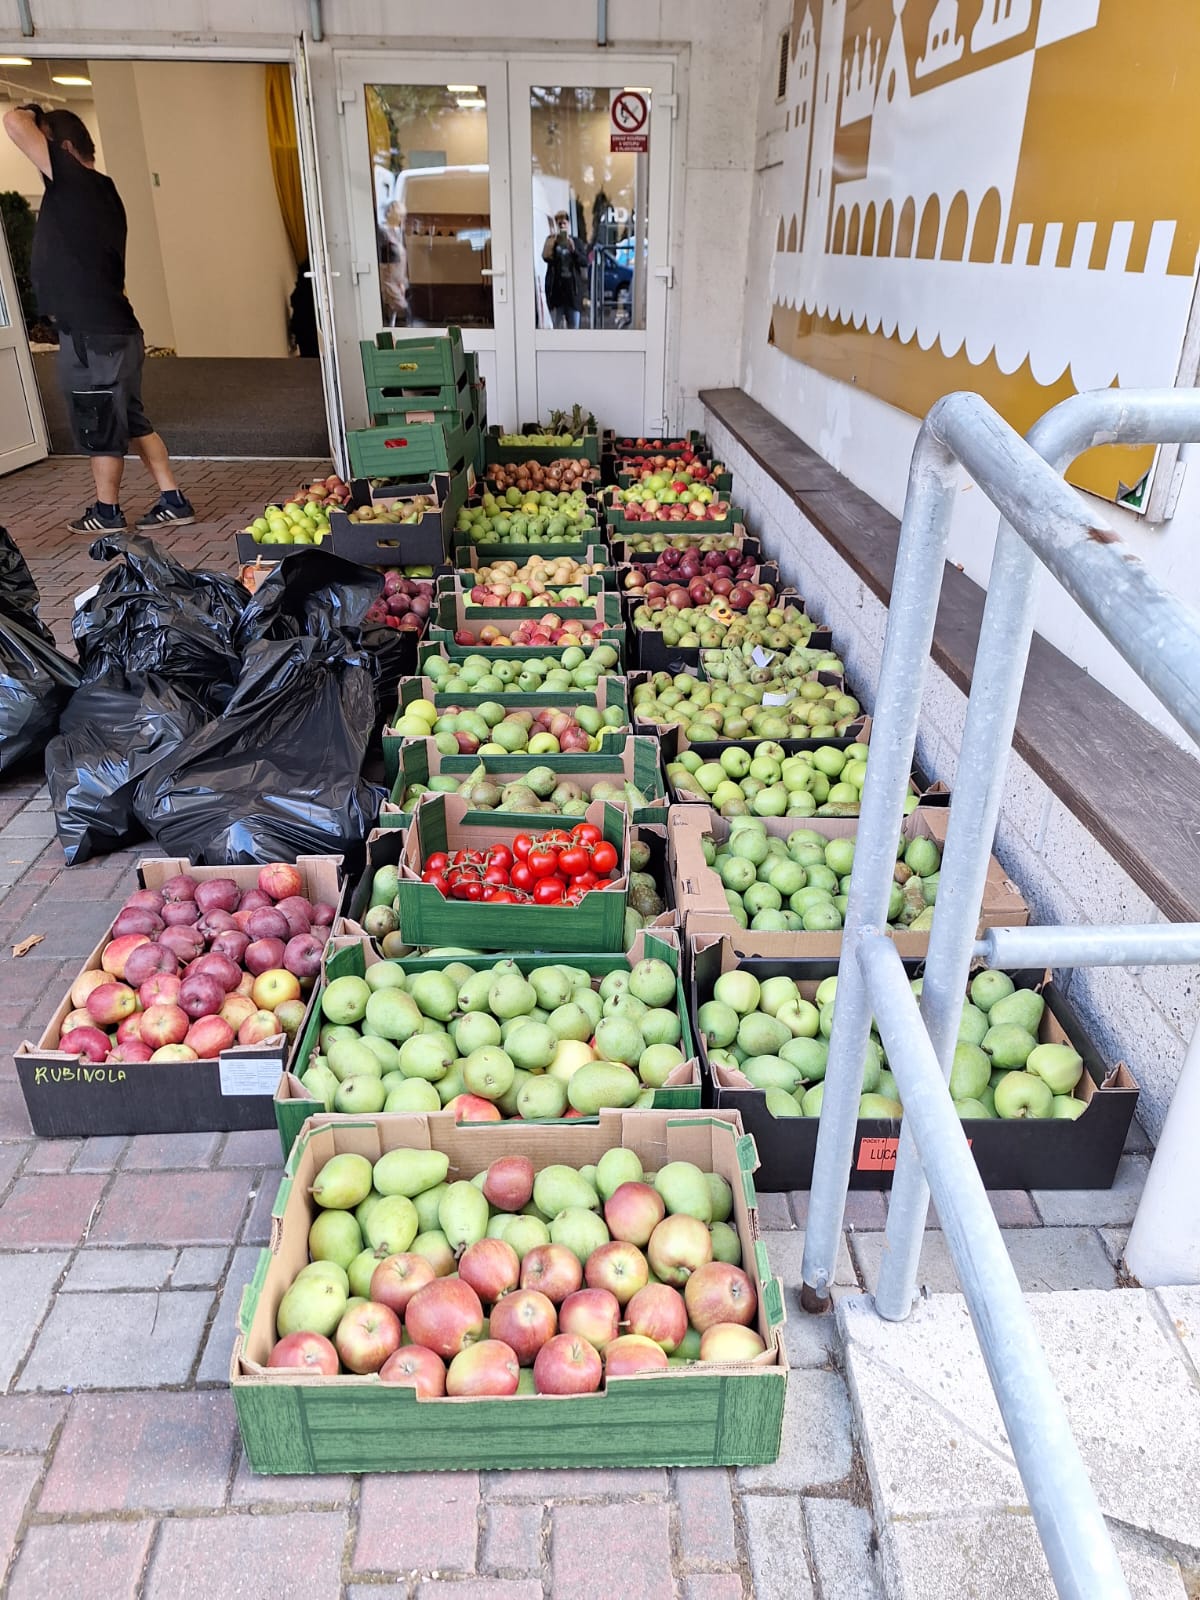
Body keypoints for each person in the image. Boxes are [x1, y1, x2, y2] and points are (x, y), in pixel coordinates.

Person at [2, 103, 195, 533]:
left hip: (96, 335)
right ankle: (172, 498)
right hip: (114, 329)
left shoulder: (75, 182)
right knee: (130, 417)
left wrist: (32, 111)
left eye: (45, 145)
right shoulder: (101, 189)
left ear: (64, 148)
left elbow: (13, 122)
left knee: (100, 418)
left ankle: (106, 511)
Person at [542, 209, 587, 330]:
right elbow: (545, 257)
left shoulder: (576, 242)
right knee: (556, 329)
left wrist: (573, 250)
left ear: (568, 224)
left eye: (564, 223)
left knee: (574, 329)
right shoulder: (551, 241)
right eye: (559, 224)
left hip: (572, 294)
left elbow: (584, 262)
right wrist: (553, 242)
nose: (562, 226)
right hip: (556, 293)